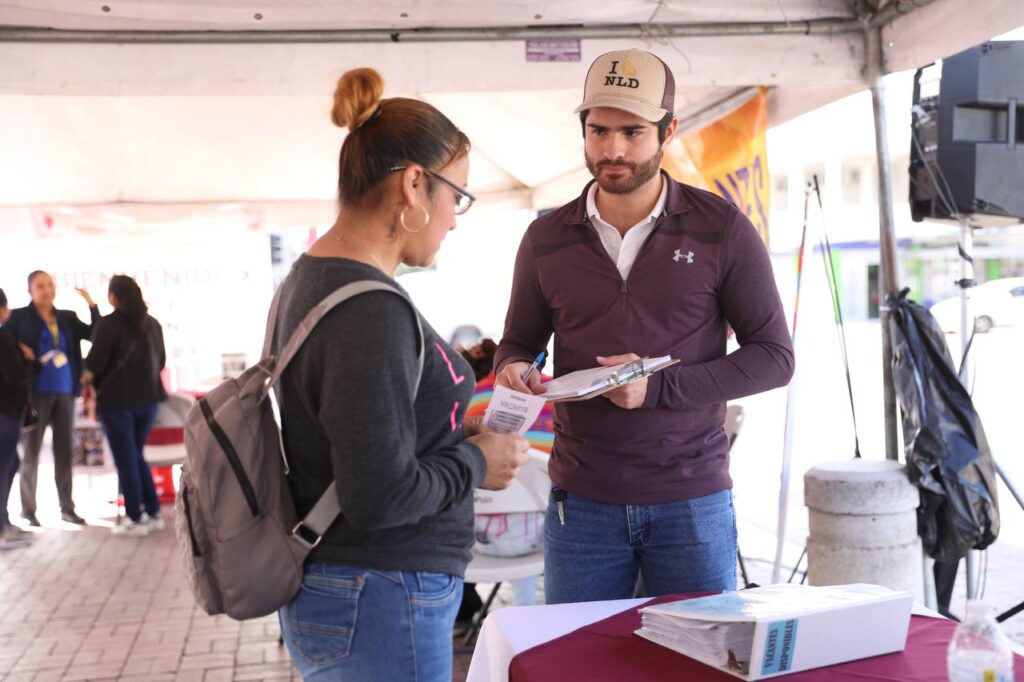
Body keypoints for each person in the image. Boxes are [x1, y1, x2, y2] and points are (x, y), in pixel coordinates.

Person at [495, 49, 795, 604]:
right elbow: (519, 342)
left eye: (632, 131)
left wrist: (655, 389)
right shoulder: (545, 238)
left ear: (669, 128)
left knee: (697, 660)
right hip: (579, 504)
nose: (612, 149)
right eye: (598, 130)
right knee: (579, 662)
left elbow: (775, 356)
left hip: (692, 502)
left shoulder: (721, 227)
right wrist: (513, 367)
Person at [272, 67, 529, 681]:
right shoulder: (368, 307)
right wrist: (476, 463)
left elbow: (359, 438)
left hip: (355, 589)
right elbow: (378, 494)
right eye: (457, 195)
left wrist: (444, 428)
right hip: (380, 592)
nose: (455, 217)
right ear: (415, 185)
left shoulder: (315, 277)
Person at [5, 271, 99, 526]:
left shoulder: (66, 317)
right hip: (35, 394)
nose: (46, 290)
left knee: (64, 451)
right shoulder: (19, 317)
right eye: (40, 286)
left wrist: (92, 305)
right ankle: (28, 510)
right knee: (31, 453)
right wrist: (19, 350)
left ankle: (67, 507)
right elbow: (4, 341)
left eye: (49, 285)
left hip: (65, 392)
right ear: (30, 291)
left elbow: (95, 334)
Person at [82, 275, 168, 536]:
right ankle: (152, 512)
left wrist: (86, 380)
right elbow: (161, 362)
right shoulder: (152, 324)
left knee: (126, 459)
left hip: (117, 403)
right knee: (135, 455)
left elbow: (94, 364)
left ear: (112, 297)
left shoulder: (109, 325)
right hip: (149, 401)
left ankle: (134, 517)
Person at [0, 288, 35, 549]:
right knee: (5, 467)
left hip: (7, 413)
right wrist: (31, 362)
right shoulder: (3, 337)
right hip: (6, 412)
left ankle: (5, 522)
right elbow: (15, 376)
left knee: (12, 465)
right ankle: (1, 530)